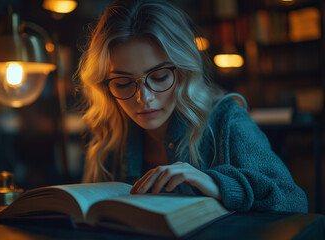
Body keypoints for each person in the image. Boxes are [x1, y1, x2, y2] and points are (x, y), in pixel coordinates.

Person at [76, 0, 308, 212]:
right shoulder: (110, 132)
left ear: (185, 72)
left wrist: (217, 184)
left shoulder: (226, 120)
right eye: (124, 83)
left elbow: (294, 202)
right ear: (106, 85)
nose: (143, 98)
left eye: (159, 77)